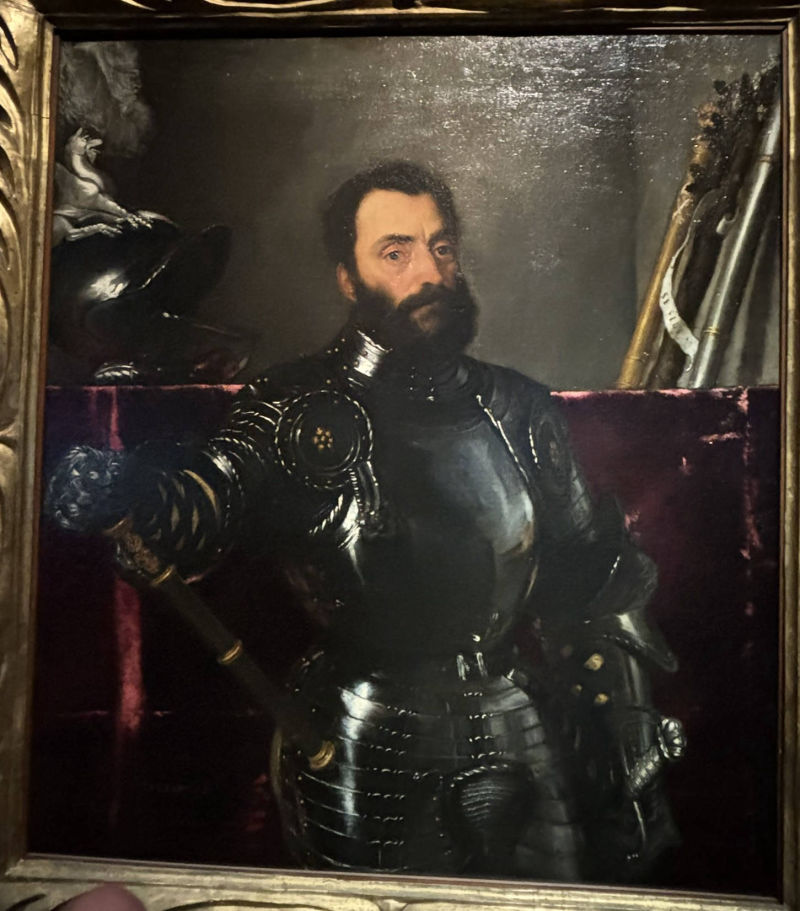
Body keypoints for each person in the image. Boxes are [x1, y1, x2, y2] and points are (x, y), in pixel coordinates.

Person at [47, 161, 684, 882]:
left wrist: (626, 732)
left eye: (441, 247)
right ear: (348, 279)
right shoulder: (292, 404)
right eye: (396, 252)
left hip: (519, 724)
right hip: (366, 734)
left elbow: (592, 572)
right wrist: (136, 491)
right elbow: (205, 506)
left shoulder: (518, 407)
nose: (430, 272)